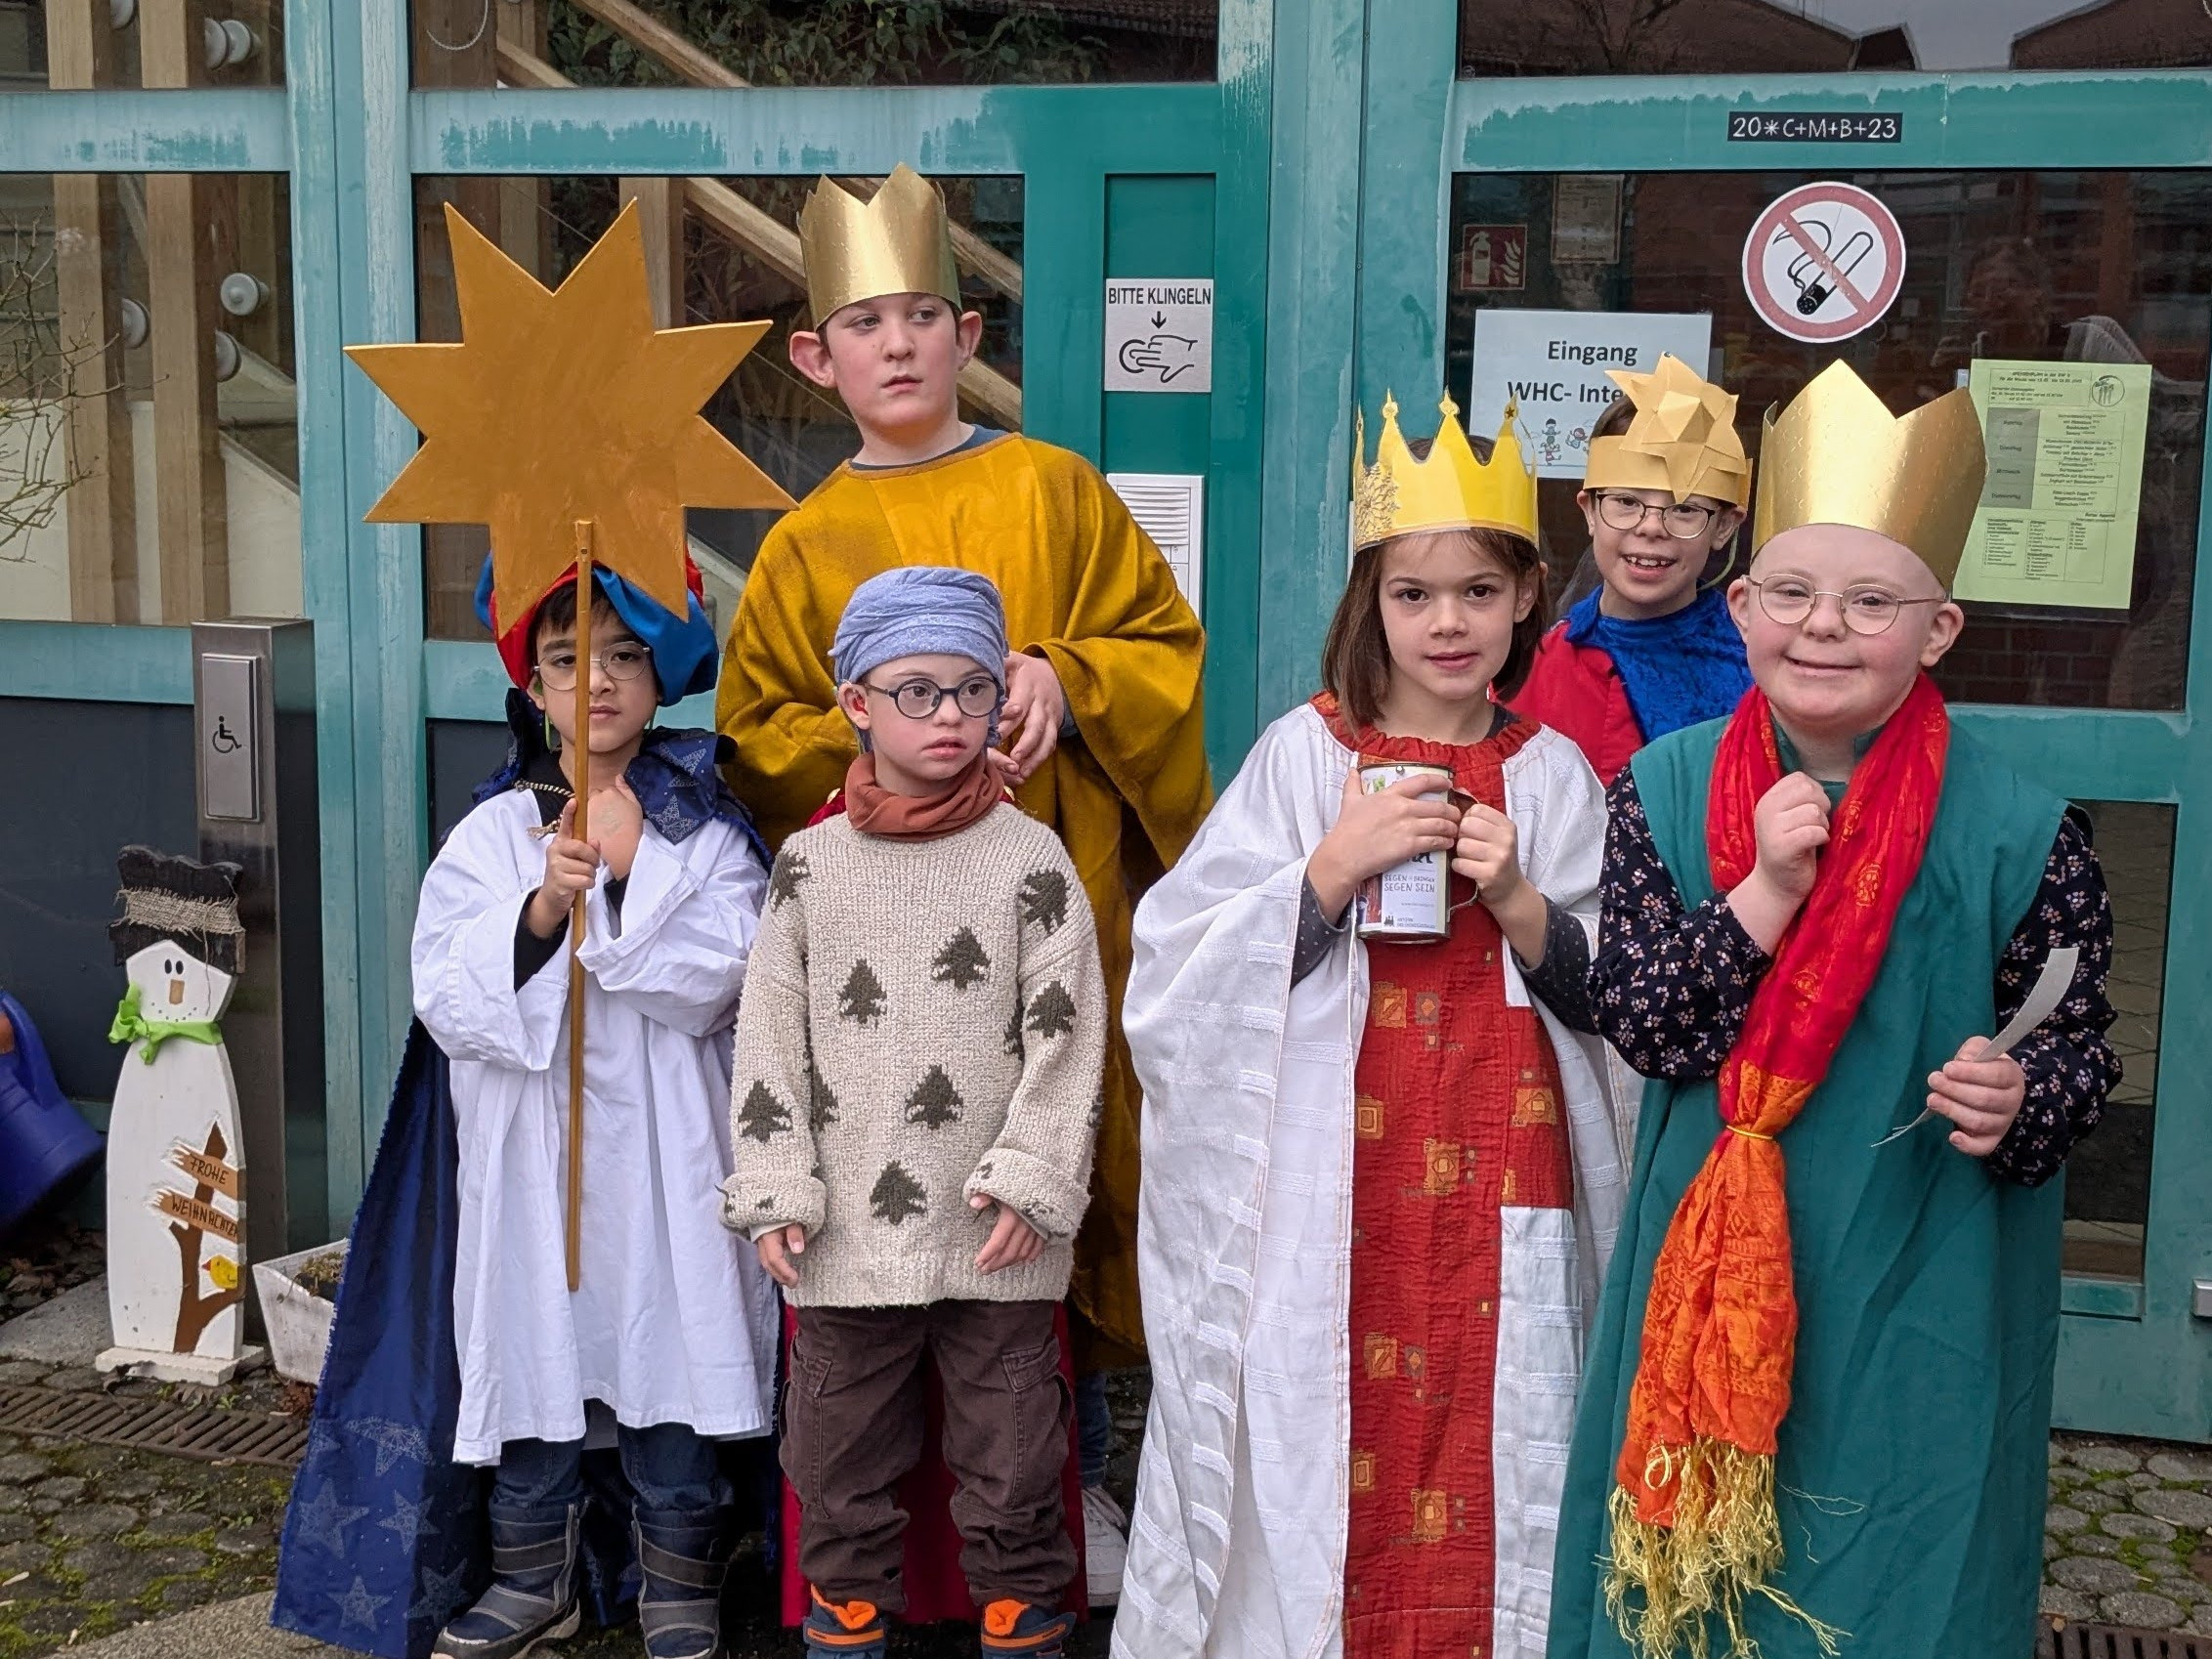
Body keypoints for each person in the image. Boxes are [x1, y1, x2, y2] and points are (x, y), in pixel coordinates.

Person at [1545, 362, 2119, 1659]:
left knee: (1899, 1561)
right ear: (1741, 606)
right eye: (1793, 593)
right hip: (1710, 1242)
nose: (1824, 626)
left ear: (1939, 630)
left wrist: (2026, 1093)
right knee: (1689, 1587)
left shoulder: (2020, 826)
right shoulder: (1665, 786)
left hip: (1928, 1260)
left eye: (1872, 602)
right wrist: (1760, 895)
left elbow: (2079, 1041)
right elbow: (1643, 1021)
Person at [716, 163, 1210, 1601]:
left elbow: (1161, 652)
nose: (899, 342)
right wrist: (894, 749)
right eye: (865, 320)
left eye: (924, 313)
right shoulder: (804, 544)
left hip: (1051, 896)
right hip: (885, 948)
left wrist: (1072, 671)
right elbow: (759, 736)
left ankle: (1083, 1485)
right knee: (894, 1220)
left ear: (968, 339)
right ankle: (866, 1554)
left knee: (1064, 1169)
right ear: (818, 355)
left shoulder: (1053, 486)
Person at [1116, 395, 1634, 1659]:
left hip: (1511, 1189)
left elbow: (1612, 1003)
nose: (1447, 621)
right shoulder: (1305, 757)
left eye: (1476, 589)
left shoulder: (1556, 773)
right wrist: (1324, 872)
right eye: (1415, 594)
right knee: (1313, 1436)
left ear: (1526, 599)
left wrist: (1516, 894)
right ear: (1371, 604)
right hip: (1331, 1184)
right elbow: (1176, 979)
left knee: (1505, 1440)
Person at [274, 555, 780, 1659]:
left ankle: (679, 1578)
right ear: (531, 685)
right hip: (531, 1155)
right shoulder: (493, 833)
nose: (594, 681)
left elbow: (727, 980)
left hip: (667, 1157)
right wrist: (544, 910)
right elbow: (449, 992)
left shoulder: (706, 830)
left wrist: (638, 868)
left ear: (661, 680)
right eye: (565, 660)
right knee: (534, 1348)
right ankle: (530, 1573)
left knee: (672, 1349)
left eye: (622, 657)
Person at [724, 567, 1107, 1659]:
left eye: (973, 691)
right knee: (836, 1442)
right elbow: (770, 1038)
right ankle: (846, 1617)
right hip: (844, 1222)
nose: (949, 717)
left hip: (996, 1227)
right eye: (917, 692)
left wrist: (1034, 1176)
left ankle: (1021, 1619)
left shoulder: (1029, 859)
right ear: (855, 703)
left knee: (1014, 1443)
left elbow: (1068, 1030)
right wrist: (774, 1186)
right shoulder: (810, 866)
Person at [1512, 356, 1754, 786]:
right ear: (1589, 511)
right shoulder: (1531, 669)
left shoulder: (1758, 669)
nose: (1650, 527)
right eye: (1625, 501)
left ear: (1723, 526)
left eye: (1684, 509)